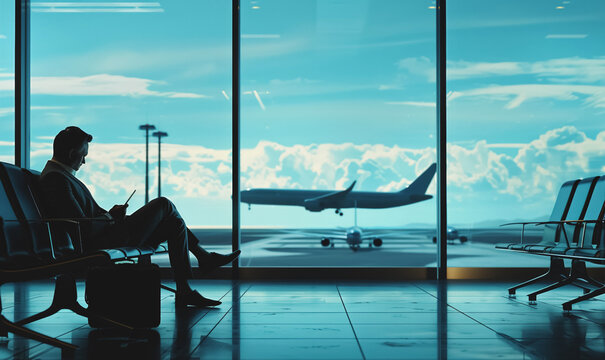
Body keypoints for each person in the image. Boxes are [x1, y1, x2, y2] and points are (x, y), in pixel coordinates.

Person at [39, 126, 239, 308]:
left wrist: (111, 214)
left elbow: (83, 218)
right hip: (98, 242)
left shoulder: (60, 176)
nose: (84, 161)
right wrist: (110, 216)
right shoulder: (57, 180)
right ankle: (203, 259)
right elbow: (82, 228)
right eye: (83, 156)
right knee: (163, 204)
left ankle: (186, 287)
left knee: (173, 223)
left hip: (105, 234)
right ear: (72, 153)